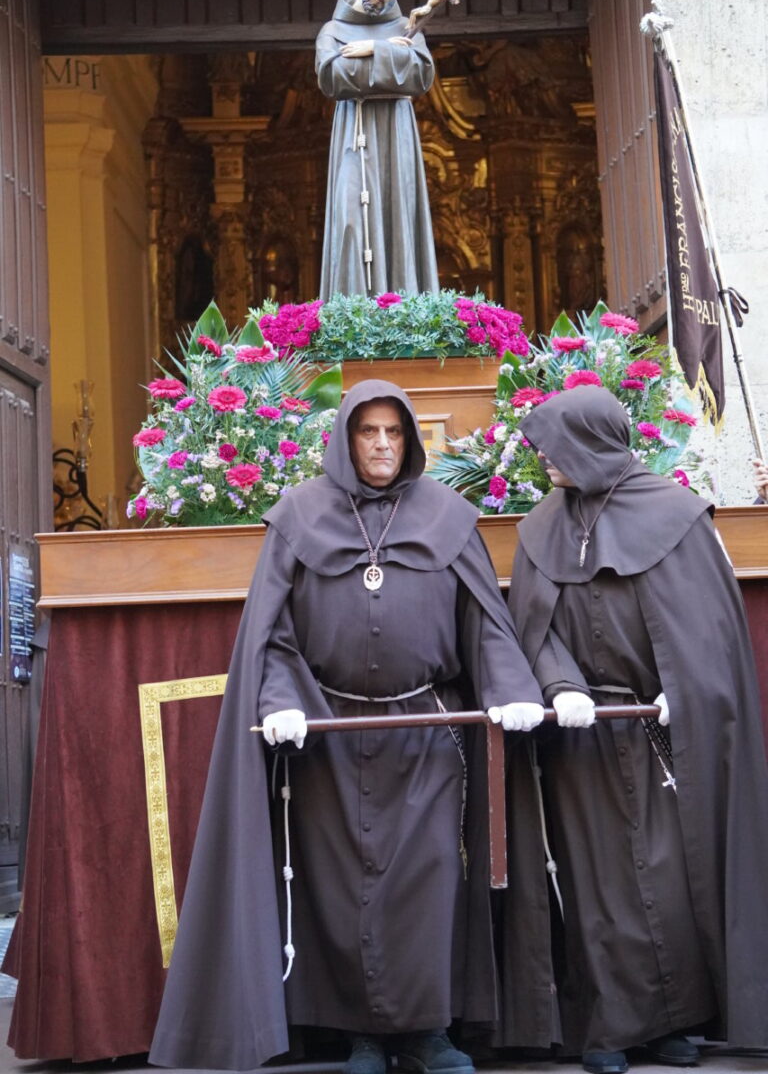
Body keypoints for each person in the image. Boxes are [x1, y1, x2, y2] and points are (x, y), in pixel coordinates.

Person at [150, 379, 553, 1073]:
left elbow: (486, 623)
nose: (382, 446)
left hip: (426, 730)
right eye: (368, 432)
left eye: (394, 433)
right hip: (328, 730)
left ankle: (426, 1032)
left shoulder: (449, 516)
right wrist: (277, 700)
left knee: (427, 883)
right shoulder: (298, 516)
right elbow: (271, 635)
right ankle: (360, 1035)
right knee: (340, 886)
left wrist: (513, 687)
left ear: (411, 440)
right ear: (345, 438)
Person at [506, 385, 768, 1074]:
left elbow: (701, 626)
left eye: (554, 448)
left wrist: (683, 687)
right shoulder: (539, 526)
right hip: (582, 735)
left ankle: (675, 1021)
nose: (545, 462)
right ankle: (611, 1029)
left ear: (590, 441)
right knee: (598, 886)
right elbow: (531, 628)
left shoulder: (675, 515)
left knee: (671, 875)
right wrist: (561, 687)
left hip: (659, 732)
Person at [316, 0, 439, 299]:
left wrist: (373, 48)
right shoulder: (332, 30)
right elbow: (333, 78)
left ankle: (399, 307)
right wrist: (392, 57)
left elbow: (419, 76)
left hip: (395, 133)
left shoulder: (405, 27)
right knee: (350, 216)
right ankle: (351, 314)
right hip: (351, 132)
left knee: (397, 212)